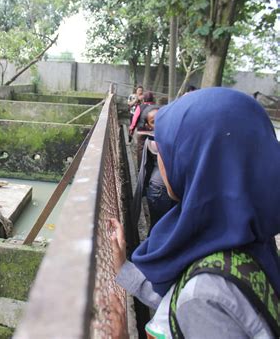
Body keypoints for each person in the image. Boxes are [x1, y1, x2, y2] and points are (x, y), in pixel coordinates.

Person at [111, 87, 280, 338]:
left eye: (167, 148)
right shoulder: (248, 239)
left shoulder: (205, 295)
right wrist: (123, 268)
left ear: (199, 162)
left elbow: (195, 301)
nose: (159, 158)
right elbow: (179, 303)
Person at [131, 105, 176, 233]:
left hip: (163, 188)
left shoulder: (165, 135)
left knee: (162, 226)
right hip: (160, 191)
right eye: (153, 121)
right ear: (148, 126)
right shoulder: (154, 140)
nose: (159, 123)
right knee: (160, 227)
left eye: (161, 118)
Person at [129, 91, 156, 168]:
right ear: (153, 99)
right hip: (153, 133)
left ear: (144, 99)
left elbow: (135, 120)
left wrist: (131, 129)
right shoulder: (156, 108)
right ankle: (152, 166)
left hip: (142, 132)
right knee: (152, 149)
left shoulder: (140, 107)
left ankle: (140, 167)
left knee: (140, 148)